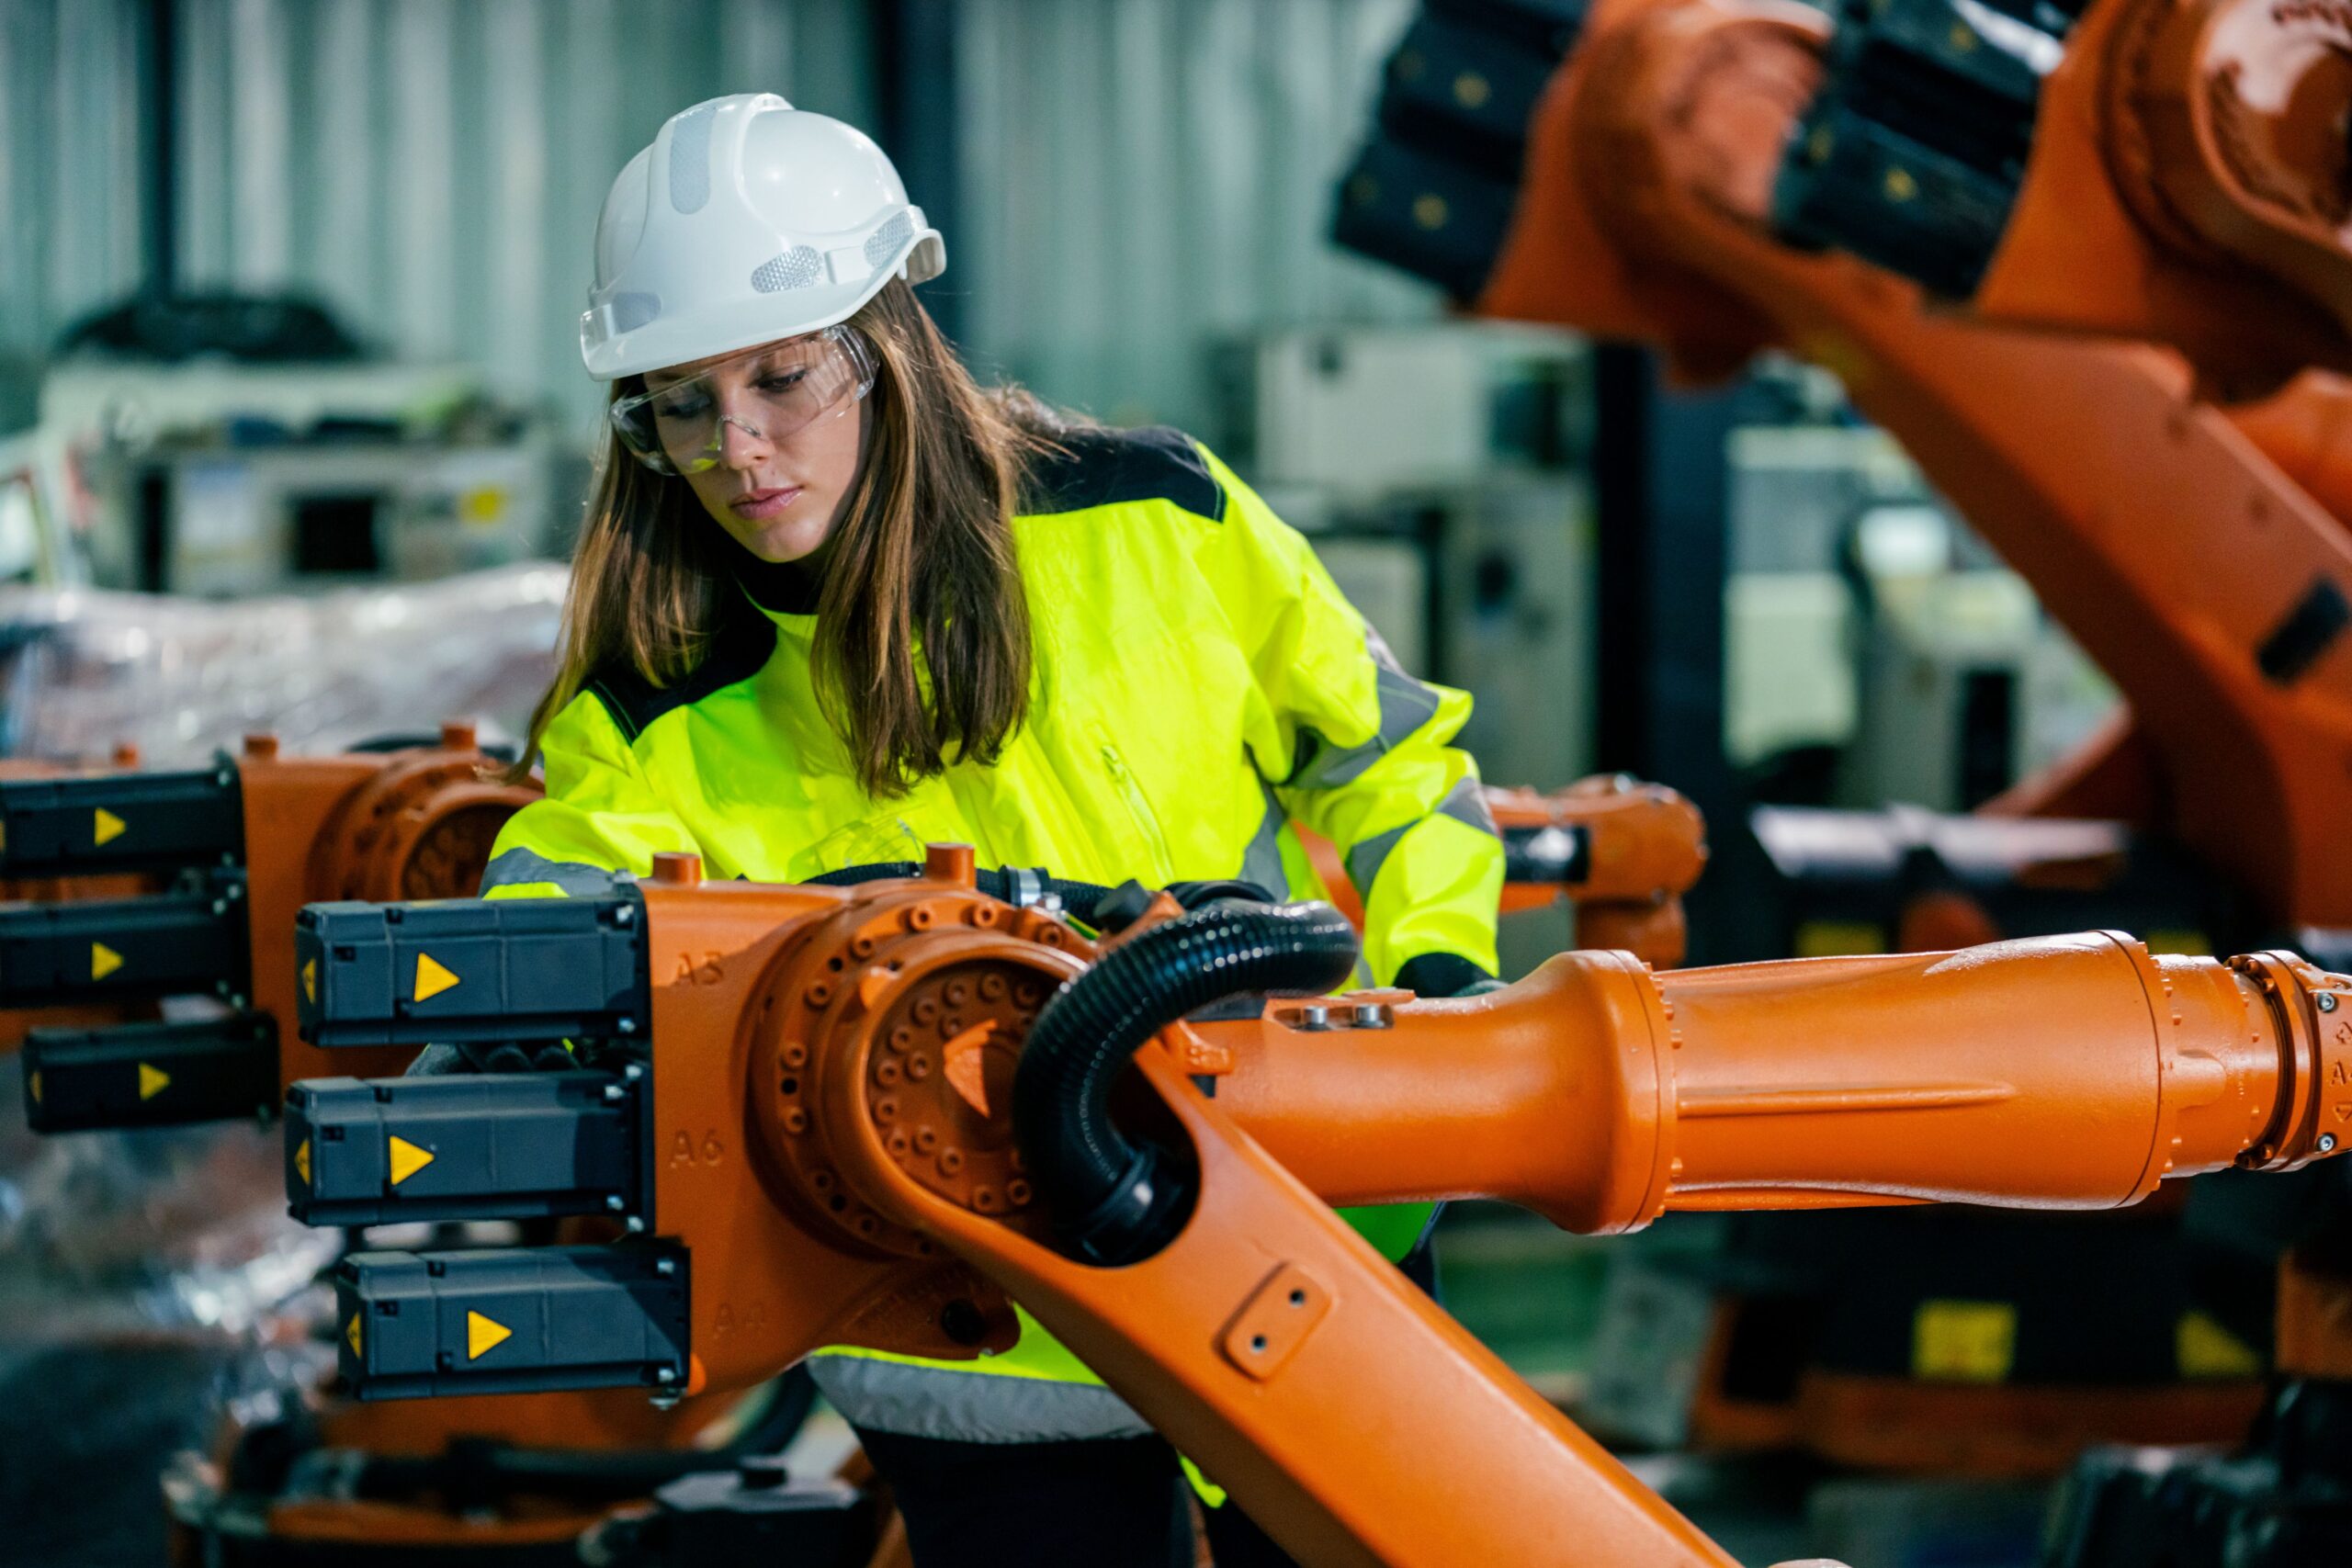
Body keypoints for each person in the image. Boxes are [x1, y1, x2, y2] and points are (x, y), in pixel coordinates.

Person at [484, 94, 1505, 1568]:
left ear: (885, 343)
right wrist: (505, 998)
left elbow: (1393, 759)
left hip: (1291, 1237)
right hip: (973, 1336)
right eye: (681, 406)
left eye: (779, 376)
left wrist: (1443, 996)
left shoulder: (1157, 518)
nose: (738, 447)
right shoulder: (653, 706)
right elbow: (544, 913)